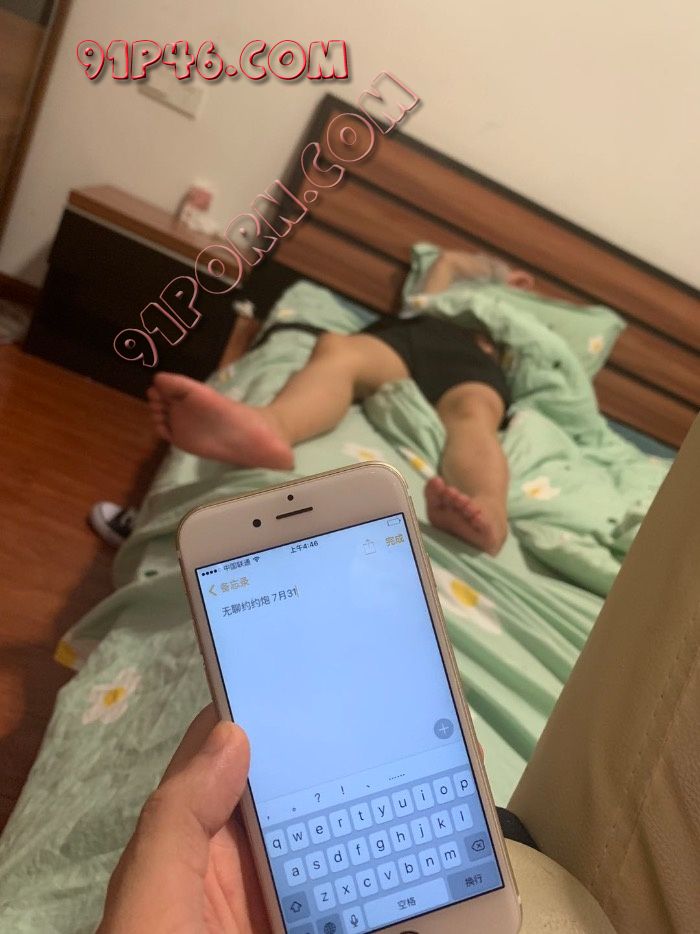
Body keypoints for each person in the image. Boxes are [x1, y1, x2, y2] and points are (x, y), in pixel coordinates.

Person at [147, 252, 535, 556]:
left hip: (473, 362)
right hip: (409, 336)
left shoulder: (518, 328)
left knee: (474, 415)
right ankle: (271, 427)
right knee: (338, 352)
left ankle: (488, 512)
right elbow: (447, 261)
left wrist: (516, 295)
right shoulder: (436, 299)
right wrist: (499, 273)